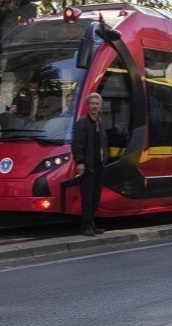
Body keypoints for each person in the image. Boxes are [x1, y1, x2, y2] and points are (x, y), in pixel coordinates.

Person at [71, 92, 108, 236]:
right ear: (87, 106)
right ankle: (86, 226)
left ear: (100, 106)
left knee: (96, 198)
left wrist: (104, 159)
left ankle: (92, 224)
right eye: (92, 103)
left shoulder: (101, 122)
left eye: (97, 103)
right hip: (87, 166)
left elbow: (104, 142)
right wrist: (80, 162)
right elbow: (77, 145)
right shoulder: (82, 123)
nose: (94, 106)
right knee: (87, 198)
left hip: (99, 165)